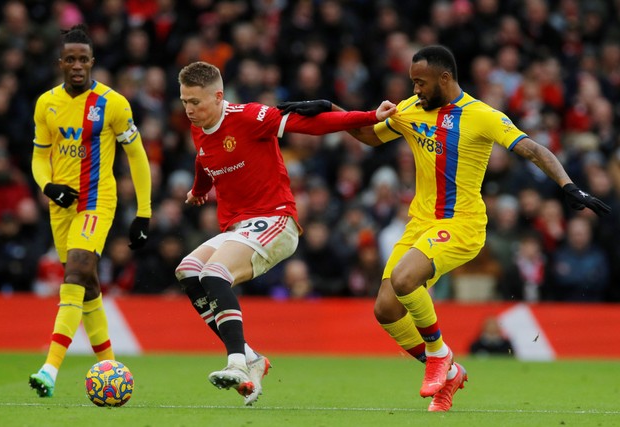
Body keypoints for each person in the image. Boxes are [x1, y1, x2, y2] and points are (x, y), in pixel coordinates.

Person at [281, 45, 611, 412]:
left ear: (445, 78)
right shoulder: (409, 109)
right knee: (386, 309)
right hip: (420, 222)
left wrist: (569, 186)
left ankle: (440, 355)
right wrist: (332, 110)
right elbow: (370, 136)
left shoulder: (482, 115)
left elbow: (533, 149)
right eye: (412, 82)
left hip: (462, 224)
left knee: (405, 281)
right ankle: (449, 372)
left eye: (420, 83)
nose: (415, 90)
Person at [173, 61, 396, 406]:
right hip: (240, 226)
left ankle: (235, 363)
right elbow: (204, 160)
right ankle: (250, 357)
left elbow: (311, 124)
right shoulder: (199, 125)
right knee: (188, 270)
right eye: (184, 101)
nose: (189, 110)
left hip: (275, 220)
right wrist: (199, 189)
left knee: (214, 273)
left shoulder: (248, 116)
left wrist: (370, 116)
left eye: (196, 102)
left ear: (219, 96)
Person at [28, 24, 152, 398]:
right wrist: (48, 186)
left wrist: (143, 212)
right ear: (60, 63)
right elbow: (38, 156)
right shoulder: (45, 103)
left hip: (97, 201)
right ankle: (111, 368)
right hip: (60, 207)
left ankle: (50, 368)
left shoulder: (113, 103)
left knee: (77, 270)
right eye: (71, 59)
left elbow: (137, 155)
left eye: (84, 59)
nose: (78, 65)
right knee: (87, 284)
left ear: (92, 62)